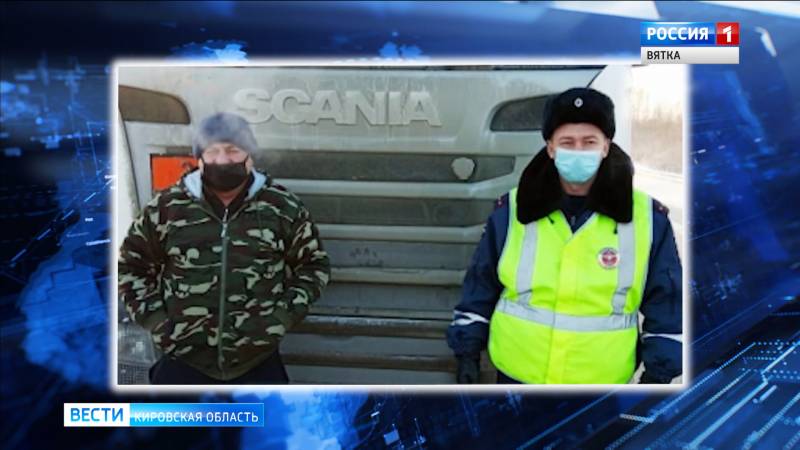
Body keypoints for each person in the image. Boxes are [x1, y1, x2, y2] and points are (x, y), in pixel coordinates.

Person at [447, 88, 682, 384]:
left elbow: (667, 303)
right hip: (517, 375)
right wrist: (467, 351)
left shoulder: (649, 219)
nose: (578, 151)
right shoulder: (512, 210)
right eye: (567, 142)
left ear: (606, 146)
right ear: (551, 148)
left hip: (601, 383)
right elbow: (480, 284)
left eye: (589, 142)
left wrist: (659, 375)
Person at [119, 112, 330, 384]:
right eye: (212, 151)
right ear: (199, 159)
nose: (222, 160)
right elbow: (131, 267)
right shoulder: (167, 208)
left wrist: (279, 319)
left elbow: (313, 267)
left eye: (232, 150)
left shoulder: (282, 207)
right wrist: (158, 322)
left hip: (258, 362)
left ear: (250, 156)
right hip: (182, 361)